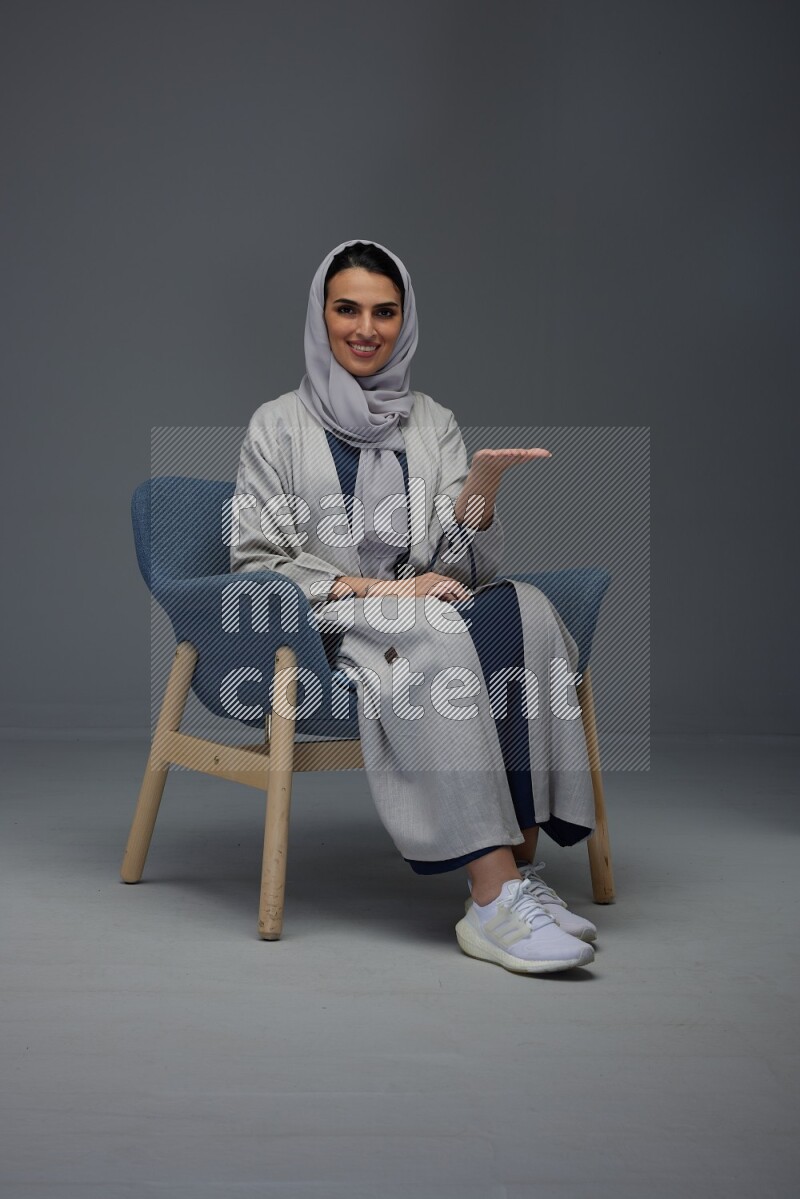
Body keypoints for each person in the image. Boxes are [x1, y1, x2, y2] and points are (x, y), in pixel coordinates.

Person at [231, 238, 598, 975]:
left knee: (524, 608)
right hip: (324, 624)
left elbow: (456, 568)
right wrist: (388, 592)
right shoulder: (276, 424)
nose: (365, 327)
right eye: (347, 309)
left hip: (416, 609)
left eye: (384, 311)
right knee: (428, 624)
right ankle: (491, 898)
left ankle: (521, 871)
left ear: (405, 321)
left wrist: (481, 498)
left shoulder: (432, 420)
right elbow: (256, 562)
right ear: (320, 315)